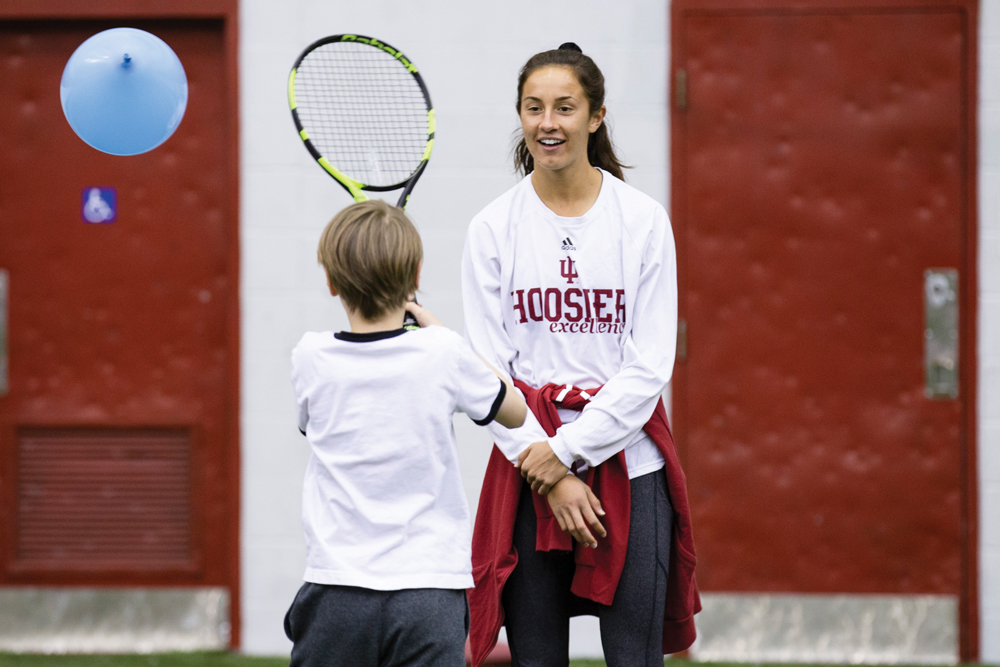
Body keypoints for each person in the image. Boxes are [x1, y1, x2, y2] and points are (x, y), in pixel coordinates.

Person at [462, 43, 701, 667]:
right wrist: (549, 472)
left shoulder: (643, 220)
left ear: (595, 116)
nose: (549, 123)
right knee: (536, 658)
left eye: (565, 107)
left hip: (627, 466)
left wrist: (566, 454)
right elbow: (490, 374)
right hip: (528, 469)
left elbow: (649, 367)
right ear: (519, 116)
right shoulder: (492, 227)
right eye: (534, 108)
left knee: (634, 658)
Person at [285, 199, 527, 667]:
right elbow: (513, 411)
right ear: (416, 275)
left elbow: (307, 424)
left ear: (332, 281)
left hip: (336, 591)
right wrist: (437, 327)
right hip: (429, 592)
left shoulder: (309, 357)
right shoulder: (442, 352)